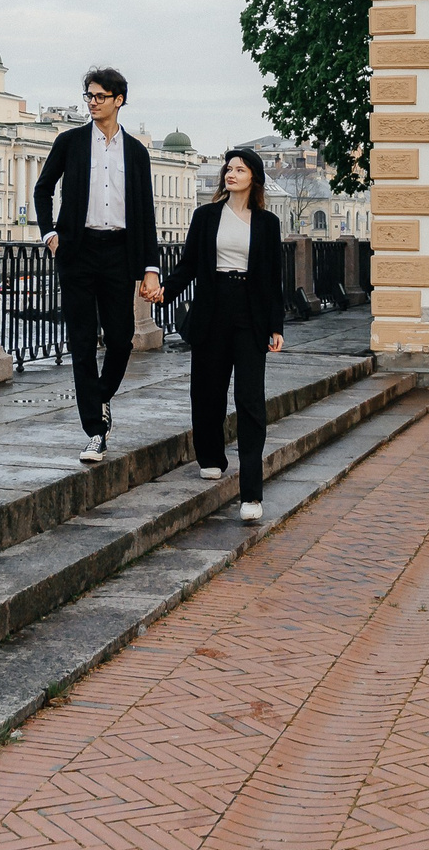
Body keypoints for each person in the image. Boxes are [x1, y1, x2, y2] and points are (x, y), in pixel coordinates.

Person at [31, 66, 161, 463]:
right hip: (77, 252)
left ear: (118, 100)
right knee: (83, 343)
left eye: (99, 96)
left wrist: (150, 267)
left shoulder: (137, 152)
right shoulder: (69, 141)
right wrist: (50, 235)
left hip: (119, 254)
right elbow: (43, 188)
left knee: (121, 339)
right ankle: (95, 431)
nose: (92, 102)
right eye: (88, 95)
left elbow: (145, 211)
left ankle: (99, 397)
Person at [152, 146, 283, 522]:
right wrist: (165, 291)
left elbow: (273, 279)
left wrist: (276, 326)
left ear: (253, 178)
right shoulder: (206, 216)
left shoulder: (267, 223)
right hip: (212, 308)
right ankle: (210, 456)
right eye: (229, 168)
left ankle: (252, 494)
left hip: (250, 313)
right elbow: (189, 264)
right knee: (207, 389)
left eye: (239, 170)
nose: (231, 173)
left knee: (250, 399)